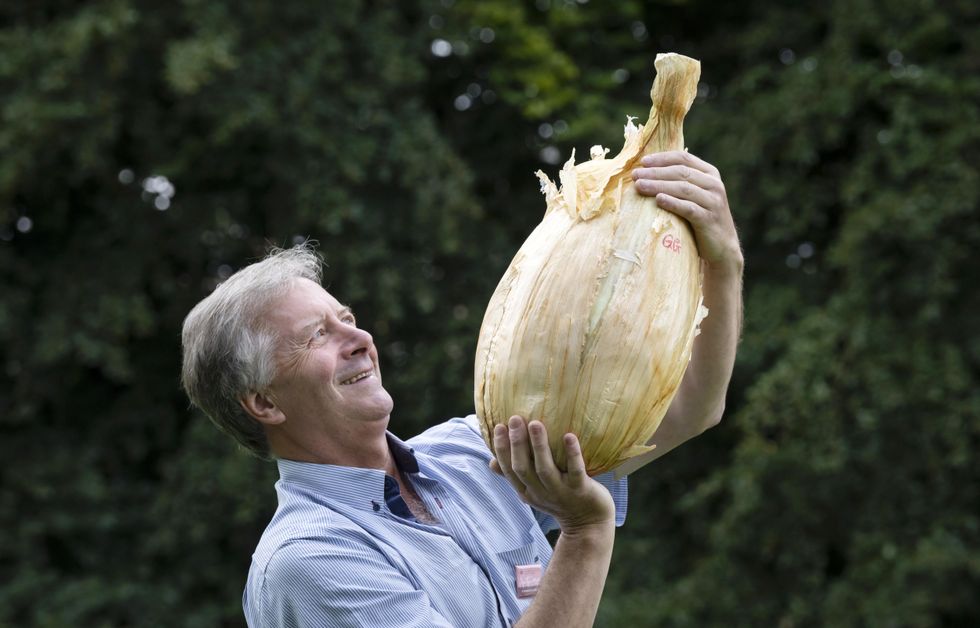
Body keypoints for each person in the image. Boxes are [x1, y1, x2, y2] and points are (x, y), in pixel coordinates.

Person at [180, 150, 743, 628]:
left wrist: (723, 261)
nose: (359, 339)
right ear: (264, 402)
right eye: (317, 336)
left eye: (348, 318)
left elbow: (691, 407)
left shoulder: (478, 453)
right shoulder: (310, 561)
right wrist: (585, 532)